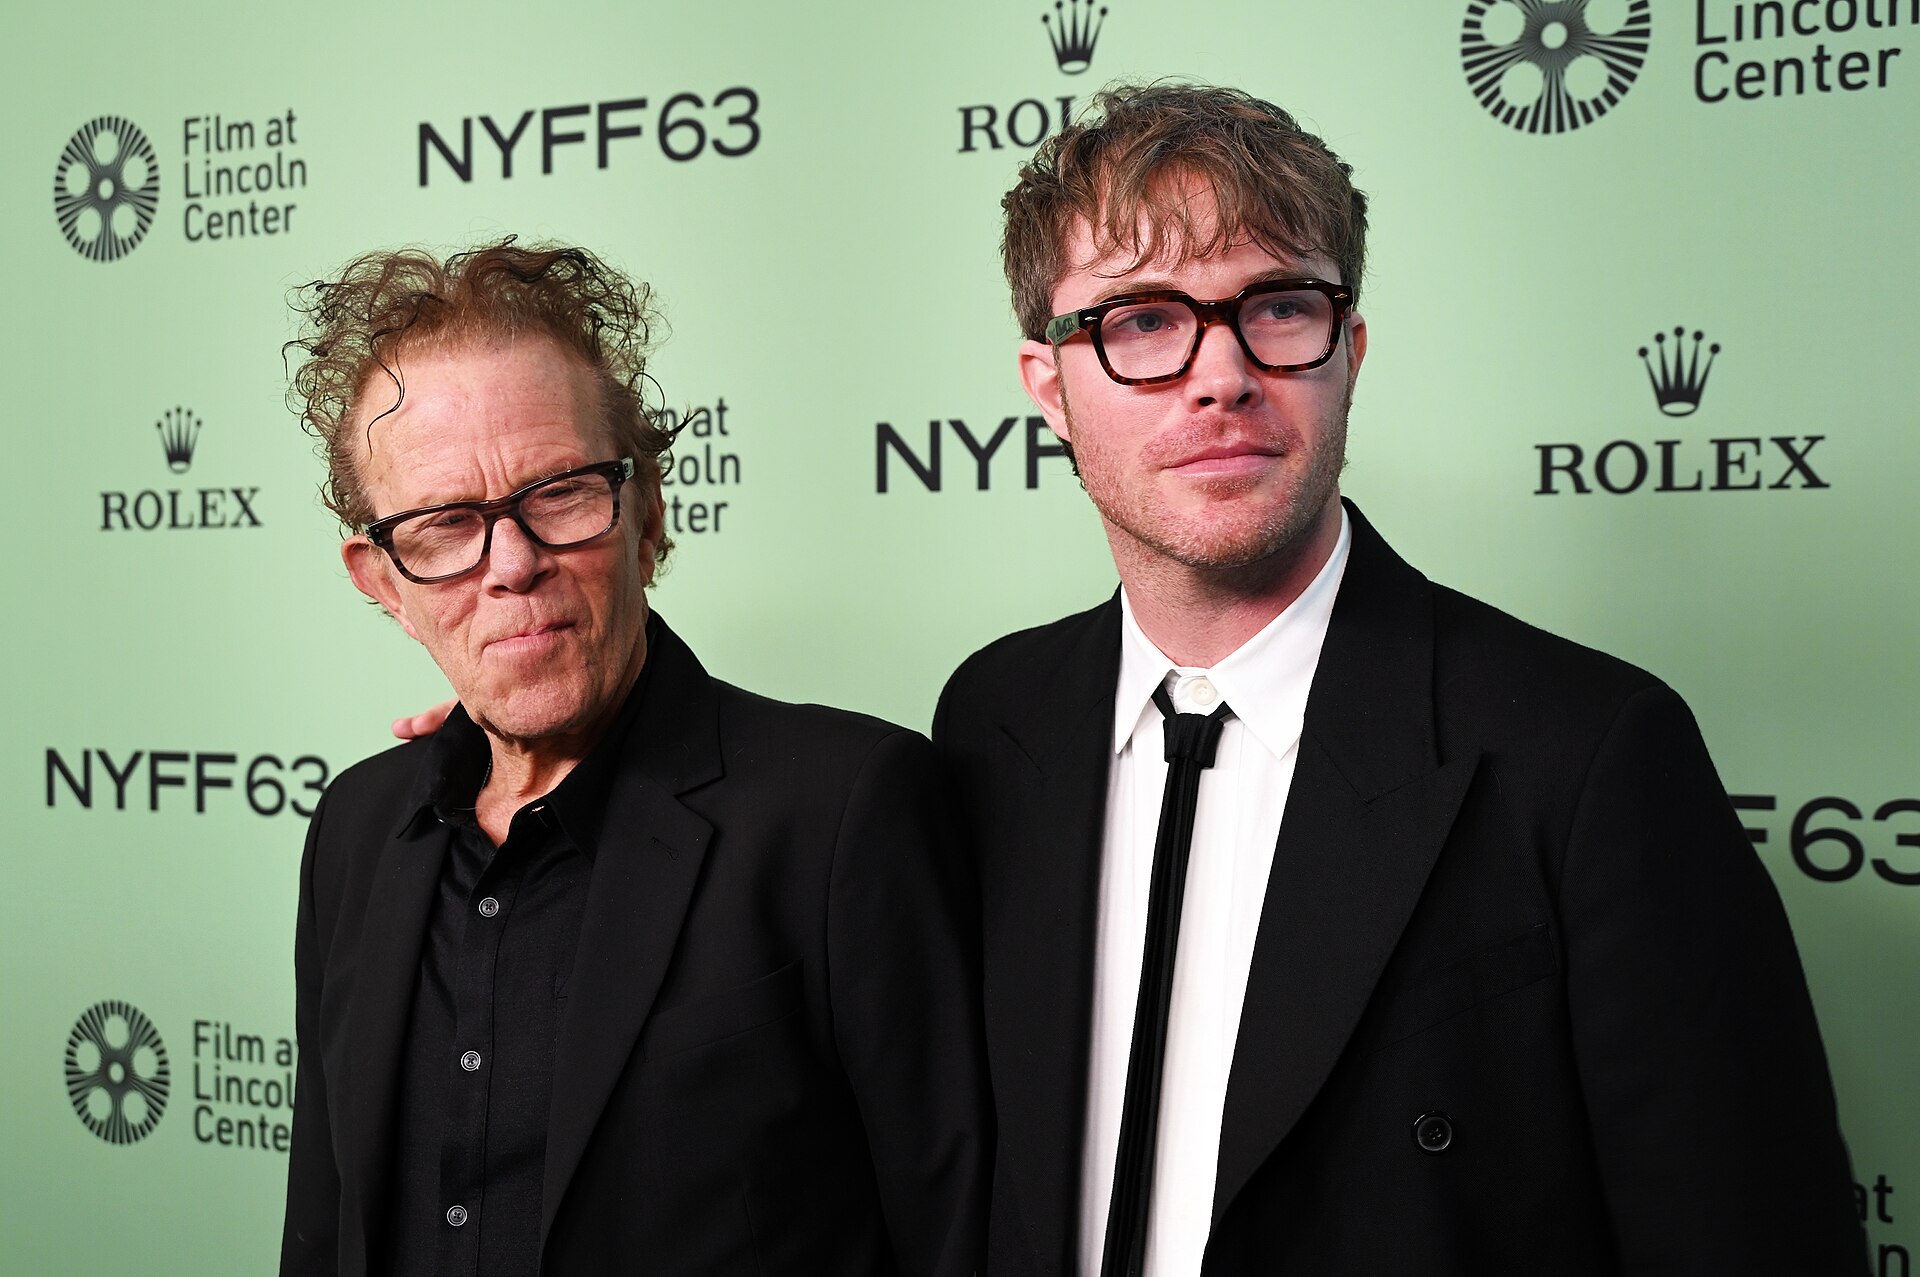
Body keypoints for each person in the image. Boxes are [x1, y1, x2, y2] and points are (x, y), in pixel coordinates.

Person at [931, 83, 1868, 1275]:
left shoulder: (1589, 753)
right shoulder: (991, 719)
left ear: (1349, 351)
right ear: (1048, 384)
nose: (1220, 375)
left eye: (1277, 306)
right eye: (1143, 321)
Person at [278, 241, 987, 1277]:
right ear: (383, 581)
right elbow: (325, 1222)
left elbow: (955, 1235)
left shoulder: (844, 810)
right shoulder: (354, 828)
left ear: (647, 513)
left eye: (559, 493)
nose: (513, 564)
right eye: (443, 525)